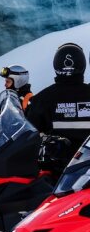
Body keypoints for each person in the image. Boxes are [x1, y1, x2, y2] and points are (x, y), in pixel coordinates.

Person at [26, 43, 90, 172]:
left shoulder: (42, 98)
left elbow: (28, 134)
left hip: (56, 170)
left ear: (56, 65)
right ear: (82, 65)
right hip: (86, 168)